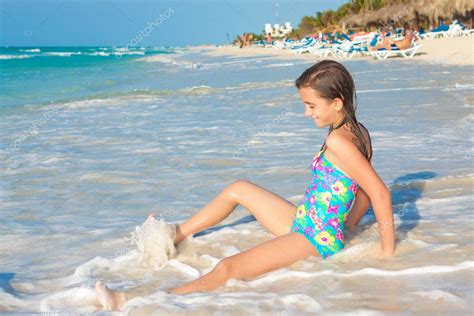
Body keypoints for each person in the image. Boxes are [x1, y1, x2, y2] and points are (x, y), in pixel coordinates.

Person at [94, 60, 396, 311]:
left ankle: (132, 302)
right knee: (238, 188)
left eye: (311, 105)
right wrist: (350, 225)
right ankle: (176, 234)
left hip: (315, 237)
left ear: (337, 102)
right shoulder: (357, 131)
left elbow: (379, 192)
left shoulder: (338, 140)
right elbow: (362, 193)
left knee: (228, 268)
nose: (307, 113)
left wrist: (386, 254)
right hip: (307, 221)